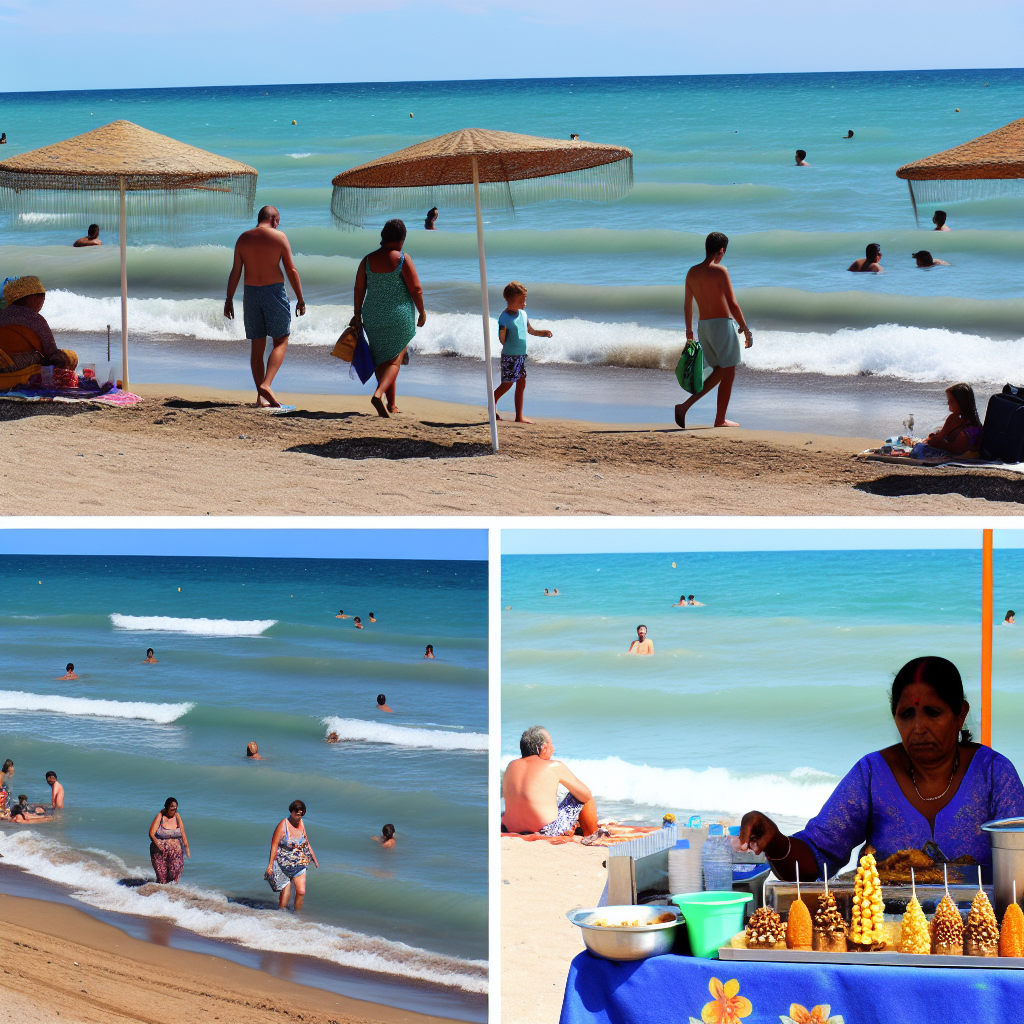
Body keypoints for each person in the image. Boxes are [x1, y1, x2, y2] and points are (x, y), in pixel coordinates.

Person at [738, 656, 1024, 880]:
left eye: (933, 713)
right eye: (907, 715)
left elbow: (1020, 865)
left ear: (960, 714)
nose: (918, 728)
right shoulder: (872, 774)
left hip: (980, 939)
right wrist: (775, 842)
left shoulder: (993, 774)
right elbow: (816, 860)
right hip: (882, 940)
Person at [224, 206, 306, 409]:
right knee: (282, 339)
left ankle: (260, 398)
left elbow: (236, 271)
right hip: (274, 293)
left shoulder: (243, 238)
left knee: (257, 345)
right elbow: (291, 269)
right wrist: (300, 298)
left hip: (251, 294)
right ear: (275, 219)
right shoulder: (279, 237)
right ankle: (267, 385)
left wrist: (229, 298)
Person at [674, 232, 753, 429]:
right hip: (721, 326)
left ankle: (687, 408)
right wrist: (745, 329)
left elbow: (687, 306)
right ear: (721, 250)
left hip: (704, 327)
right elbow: (732, 304)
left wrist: (689, 332)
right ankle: (717, 419)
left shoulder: (692, 272)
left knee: (721, 370)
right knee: (728, 370)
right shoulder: (720, 271)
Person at [352, 219, 426, 418]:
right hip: (398, 314)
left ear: (383, 237)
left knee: (381, 360)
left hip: (373, 314)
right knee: (395, 360)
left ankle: (391, 404)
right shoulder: (402, 258)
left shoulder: (367, 260)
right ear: (402, 239)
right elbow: (416, 289)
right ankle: (378, 394)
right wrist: (422, 311)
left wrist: (357, 314)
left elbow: (359, 289)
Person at [501, 726, 598, 837]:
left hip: (512, 828)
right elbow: (586, 795)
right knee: (583, 796)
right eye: (551, 743)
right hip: (546, 830)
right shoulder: (554, 766)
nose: (554, 749)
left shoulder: (511, 765)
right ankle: (591, 835)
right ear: (543, 748)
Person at [492, 281, 553, 424]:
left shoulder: (523, 314)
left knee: (521, 382)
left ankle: (519, 416)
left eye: (525, 299)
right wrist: (502, 333)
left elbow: (530, 330)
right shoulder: (504, 317)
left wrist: (542, 333)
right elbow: (502, 339)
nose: (525, 302)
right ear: (511, 299)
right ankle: (492, 403)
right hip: (509, 356)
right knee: (507, 384)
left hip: (520, 356)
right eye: (522, 299)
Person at [0, 277, 78, 371]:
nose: (42, 304)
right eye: (43, 299)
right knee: (69, 356)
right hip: (17, 366)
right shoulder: (35, 319)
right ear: (33, 299)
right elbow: (51, 351)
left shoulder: (2, 314)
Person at [266, 800, 319, 910]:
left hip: (299, 862)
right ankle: (281, 917)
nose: (299, 817)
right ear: (291, 812)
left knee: (301, 892)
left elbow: (306, 842)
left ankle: (297, 917)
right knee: (285, 897)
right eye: (297, 814)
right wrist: (270, 865)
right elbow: (274, 844)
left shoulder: (302, 823)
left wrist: (313, 857)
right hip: (283, 865)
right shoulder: (283, 825)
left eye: (301, 814)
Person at [908, 382, 983, 459]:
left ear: (961, 402)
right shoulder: (974, 424)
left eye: (951, 400)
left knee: (919, 448)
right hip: (966, 453)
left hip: (955, 454)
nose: (948, 402)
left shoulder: (955, 421)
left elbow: (943, 445)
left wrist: (937, 438)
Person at [148, 798, 190, 884]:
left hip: (176, 853)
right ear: (166, 807)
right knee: (162, 879)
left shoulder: (177, 816)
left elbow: (183, 834)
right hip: (159, 852)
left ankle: (171, 896)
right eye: (172, 807)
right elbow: (151, 833)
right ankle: (158, 895)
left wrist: (187, 849)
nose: (174, 809)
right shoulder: (161, 816)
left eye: (175, 807)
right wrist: (158, 845)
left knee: (174, 879)